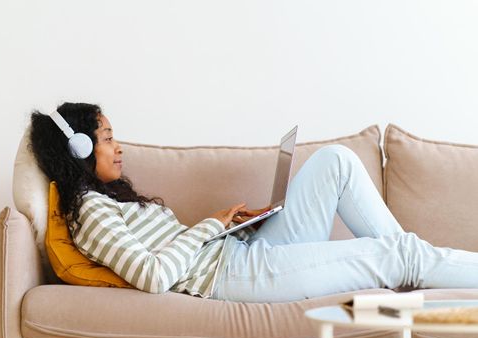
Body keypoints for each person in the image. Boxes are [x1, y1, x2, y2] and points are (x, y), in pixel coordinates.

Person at [30, 102, 478, 303]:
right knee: (401, 252)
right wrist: (209, 225)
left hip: (238, 253)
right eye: (108, 138)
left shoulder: (110, 199)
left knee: (336, 162)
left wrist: (235, 226)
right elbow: (154, 276)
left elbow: (174, 251)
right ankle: (418, 270)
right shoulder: (91, 211)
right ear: (80, 149)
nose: (119, 146)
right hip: (235, 276)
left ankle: (416, 279)